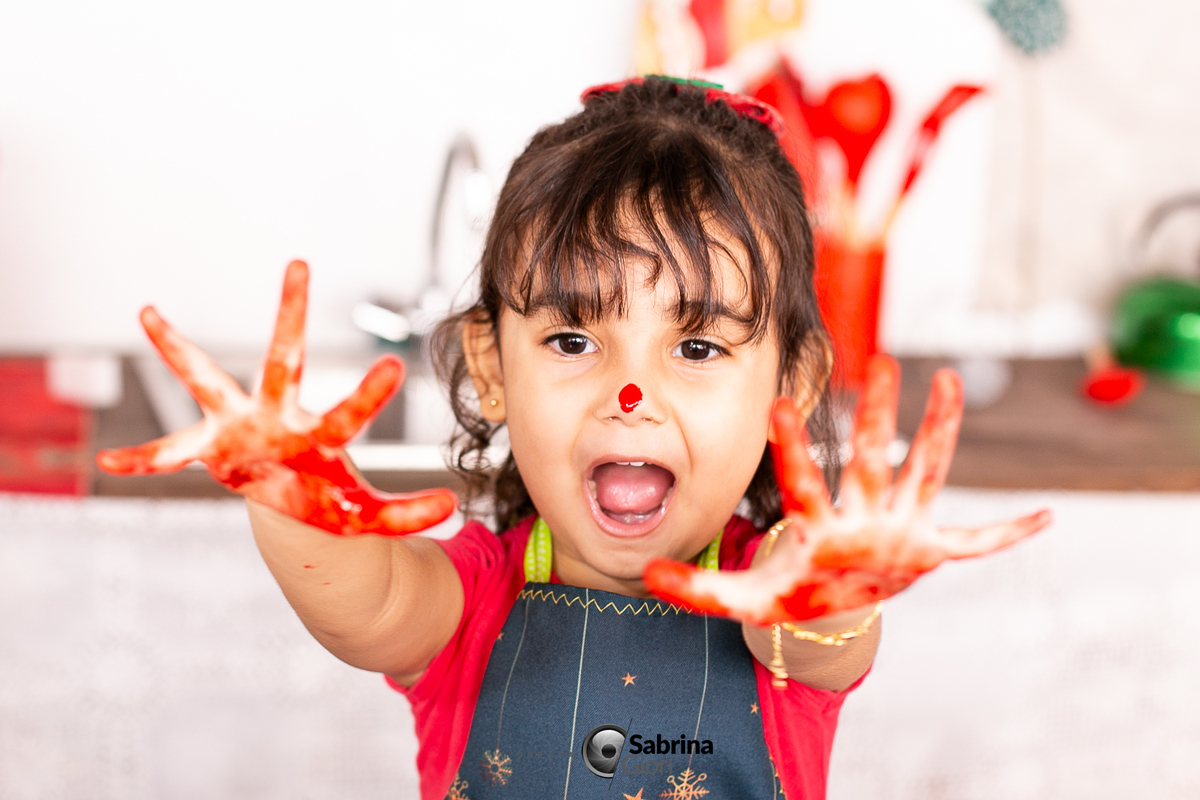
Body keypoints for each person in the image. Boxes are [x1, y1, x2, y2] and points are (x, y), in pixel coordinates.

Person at [97, 76, 1050, 800]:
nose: (629, 393)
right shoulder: (473, 593)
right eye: (571, 337)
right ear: (492, 367)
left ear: (788, 391)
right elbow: (369, 604)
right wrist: (292, 503)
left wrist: (823, 586)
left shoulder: (777, 604)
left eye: (699, 343)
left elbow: (819, 641)